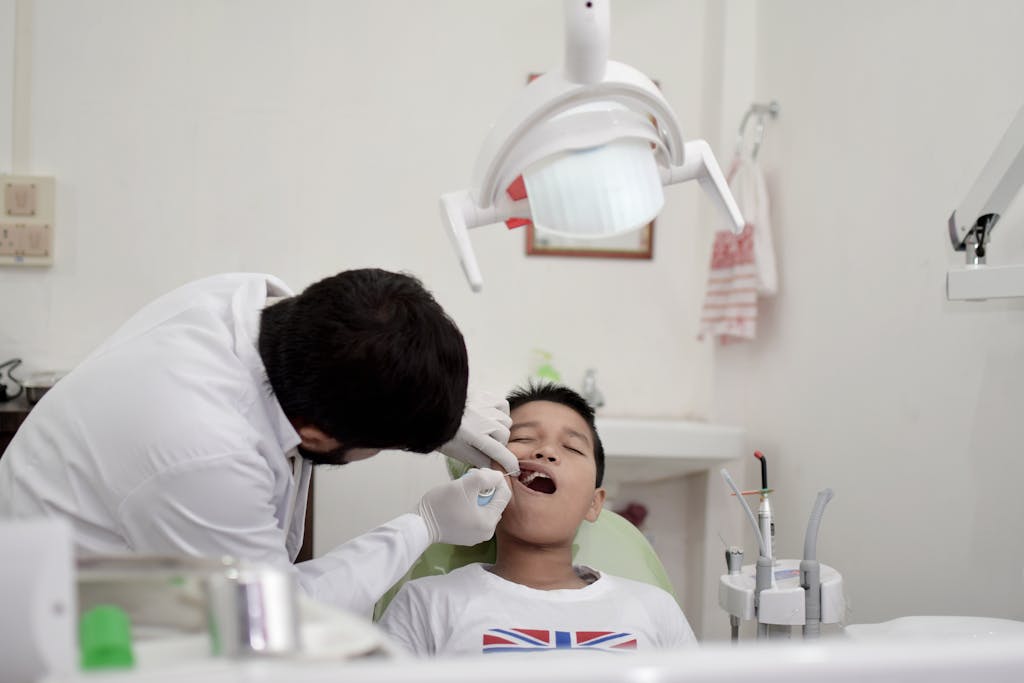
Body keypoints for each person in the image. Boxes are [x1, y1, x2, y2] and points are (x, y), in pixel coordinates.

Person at [0, 269, 515, 616]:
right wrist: (422, 525)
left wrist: (433, 403)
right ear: (314, 435)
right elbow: (275, 619)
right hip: (60, 621)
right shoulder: (206, 454)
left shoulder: (257, 305)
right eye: (382, 446)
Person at [380, 383, 697, 655]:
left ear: (593, 503)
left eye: (572, 447)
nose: (546, 451)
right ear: (485, 477)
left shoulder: (656, 609)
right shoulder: (426, 603)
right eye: (522, 439)